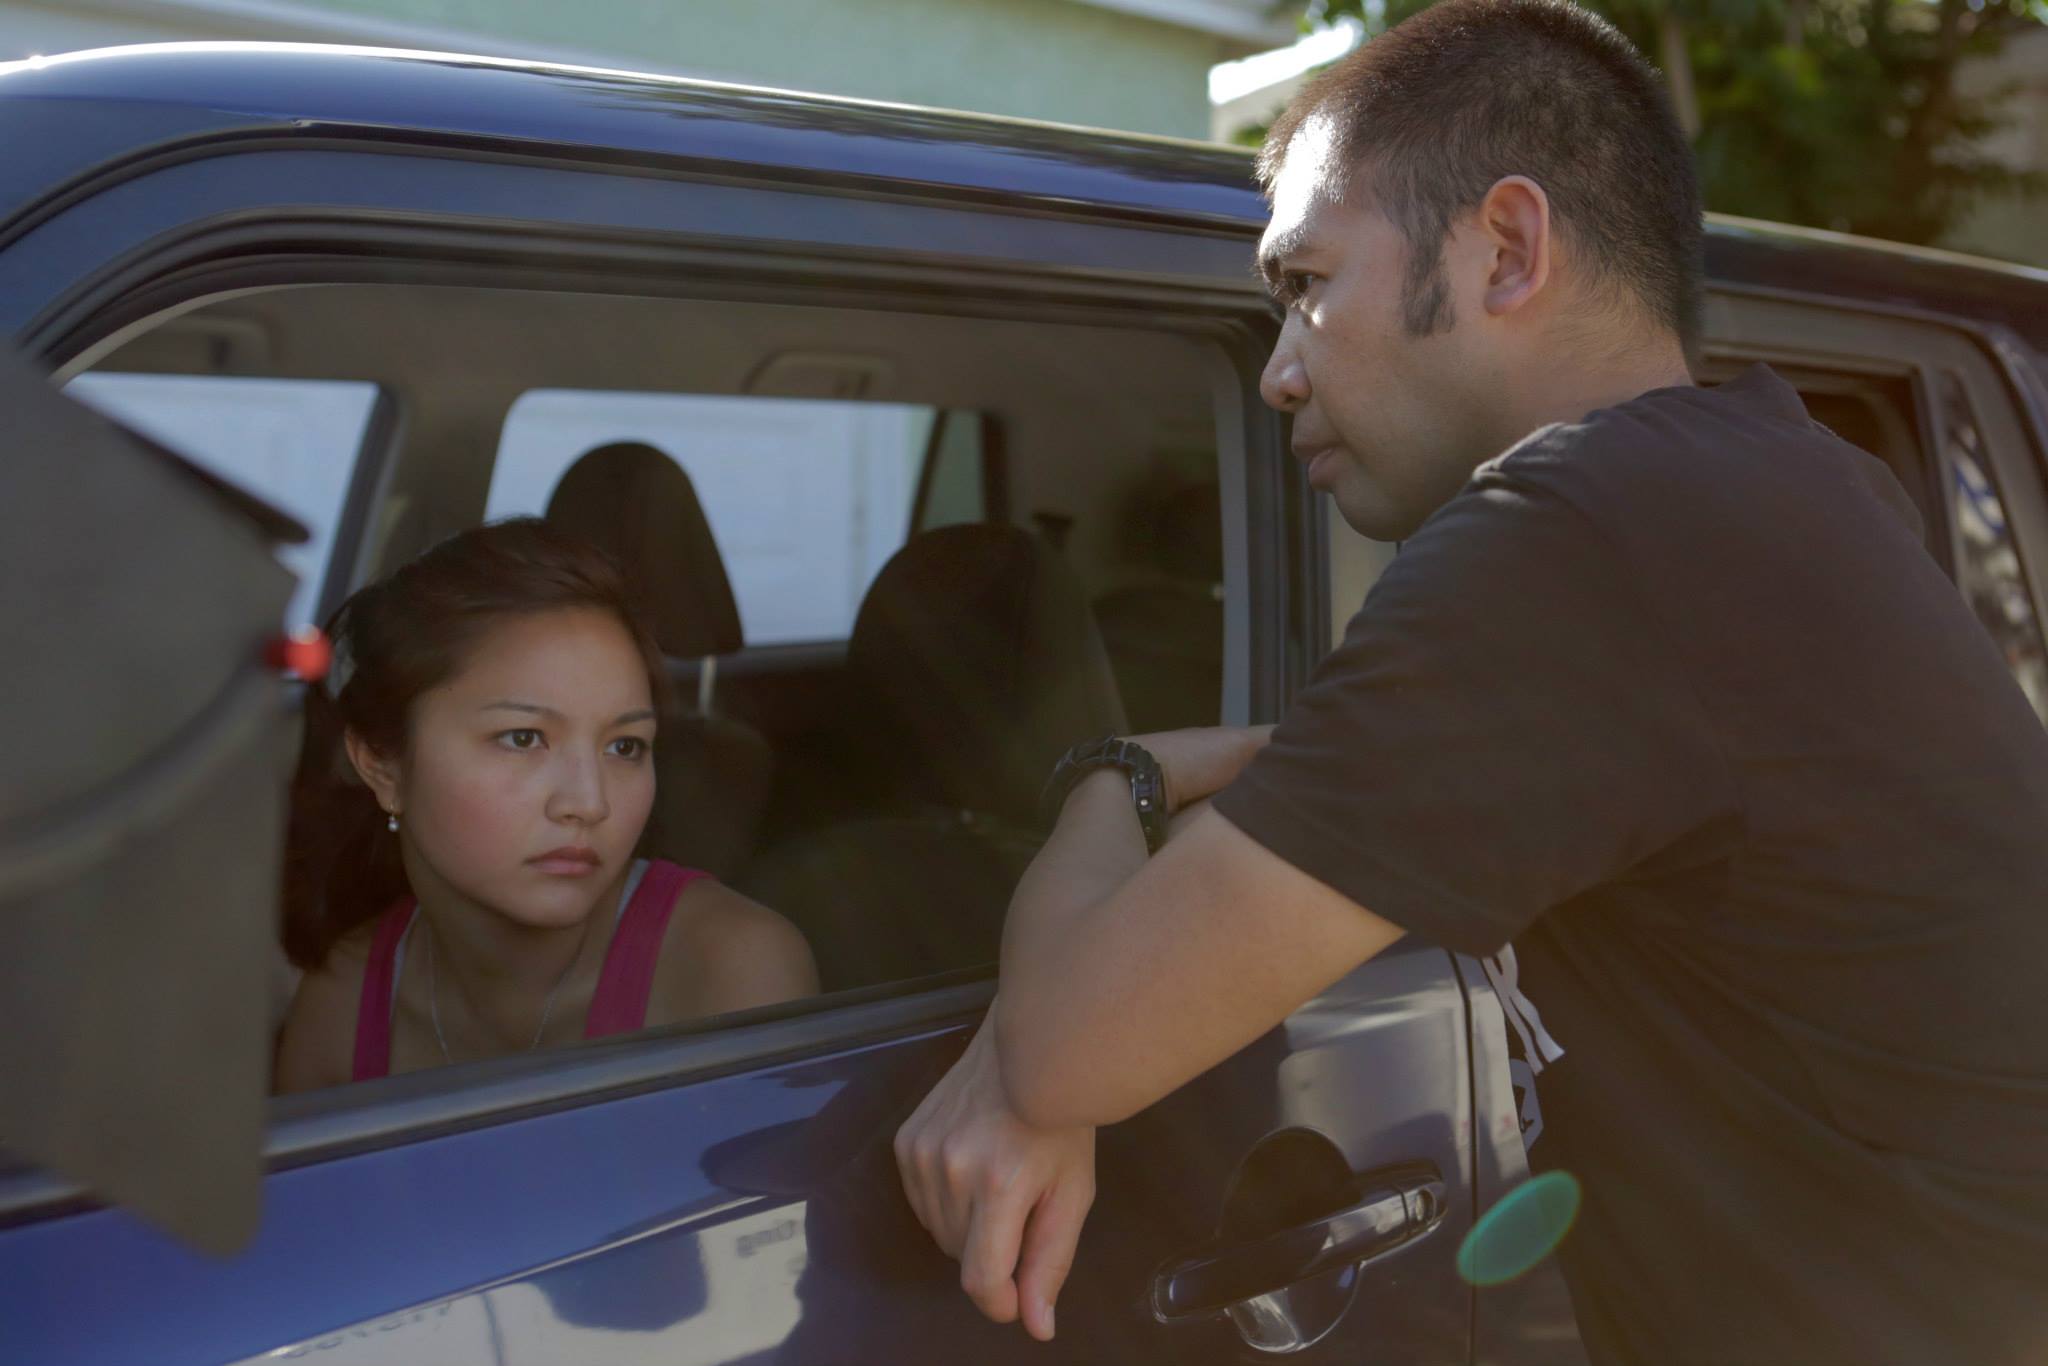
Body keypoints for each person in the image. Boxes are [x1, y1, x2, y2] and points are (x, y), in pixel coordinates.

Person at [893, 1, 2048, 1361]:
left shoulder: (1580, 538)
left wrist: (1115, 771)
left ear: (1505, 247)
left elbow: (1067, 1043)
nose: (1276, 371)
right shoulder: (1774, 478)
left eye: (1307, 284)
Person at [275, 518, 816, 1092]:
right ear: (382, 765)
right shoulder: (342, 1009)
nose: (590, 802)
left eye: (625, 746)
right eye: (523, 738)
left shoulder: (735, 974)